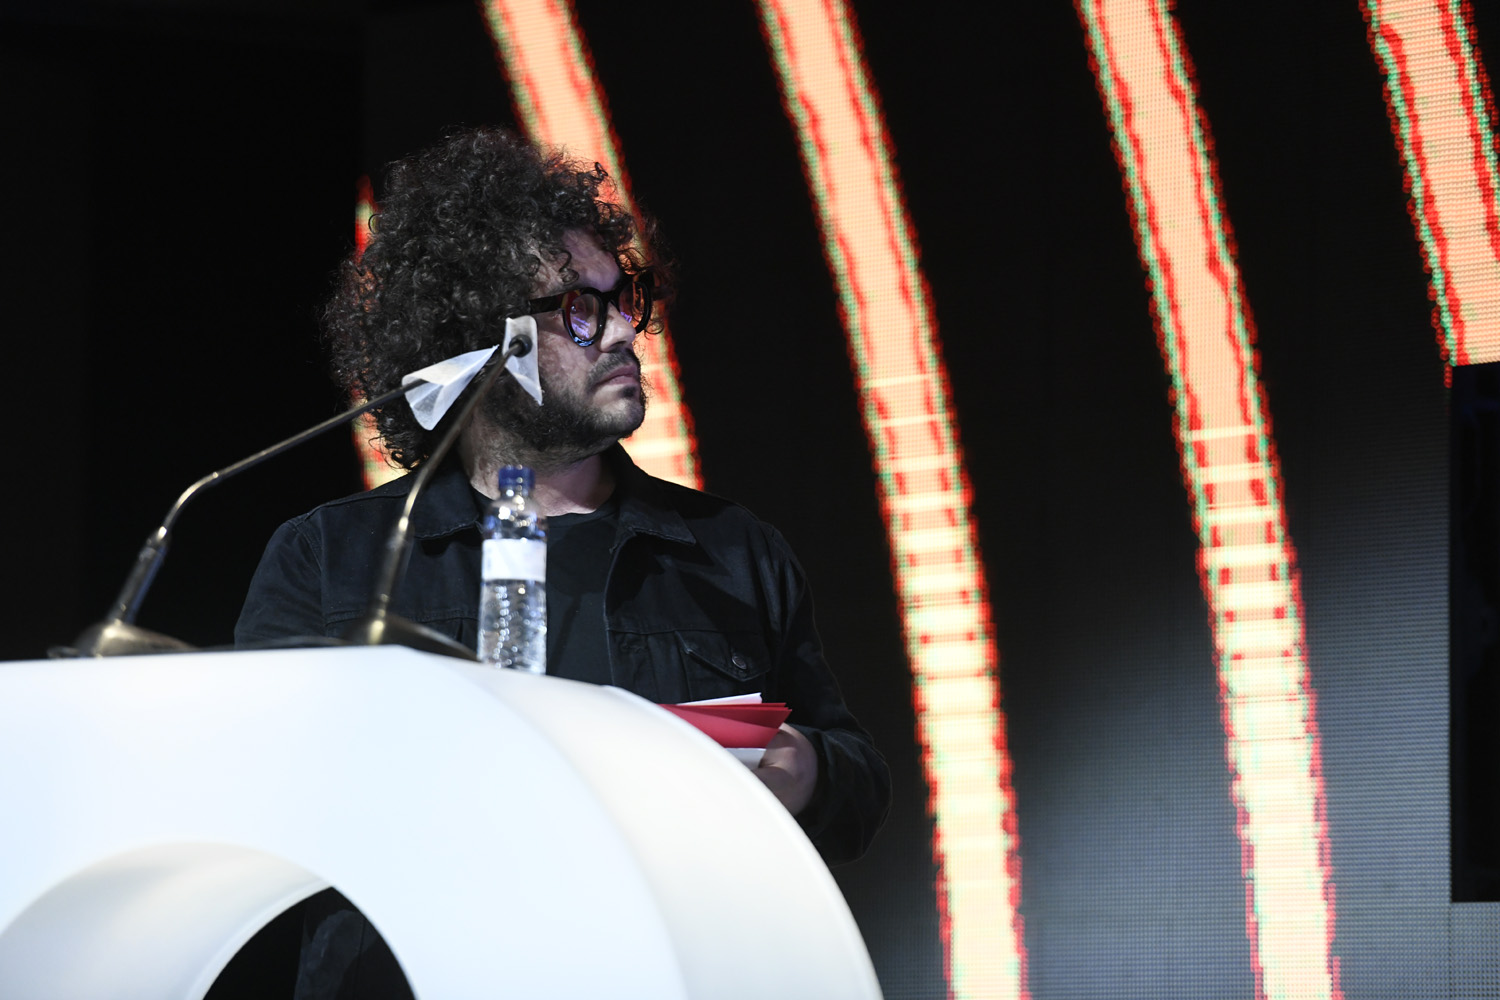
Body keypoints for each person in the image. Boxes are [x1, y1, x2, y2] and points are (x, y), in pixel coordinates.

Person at [235, 127, 889, 867]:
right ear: (480, 341)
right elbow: (255, 797)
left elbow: (857, 788)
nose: (622, 332)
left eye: (624, 300)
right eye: (581, 309)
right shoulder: (329, 559)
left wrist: (808, 771)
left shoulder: (731, 551)